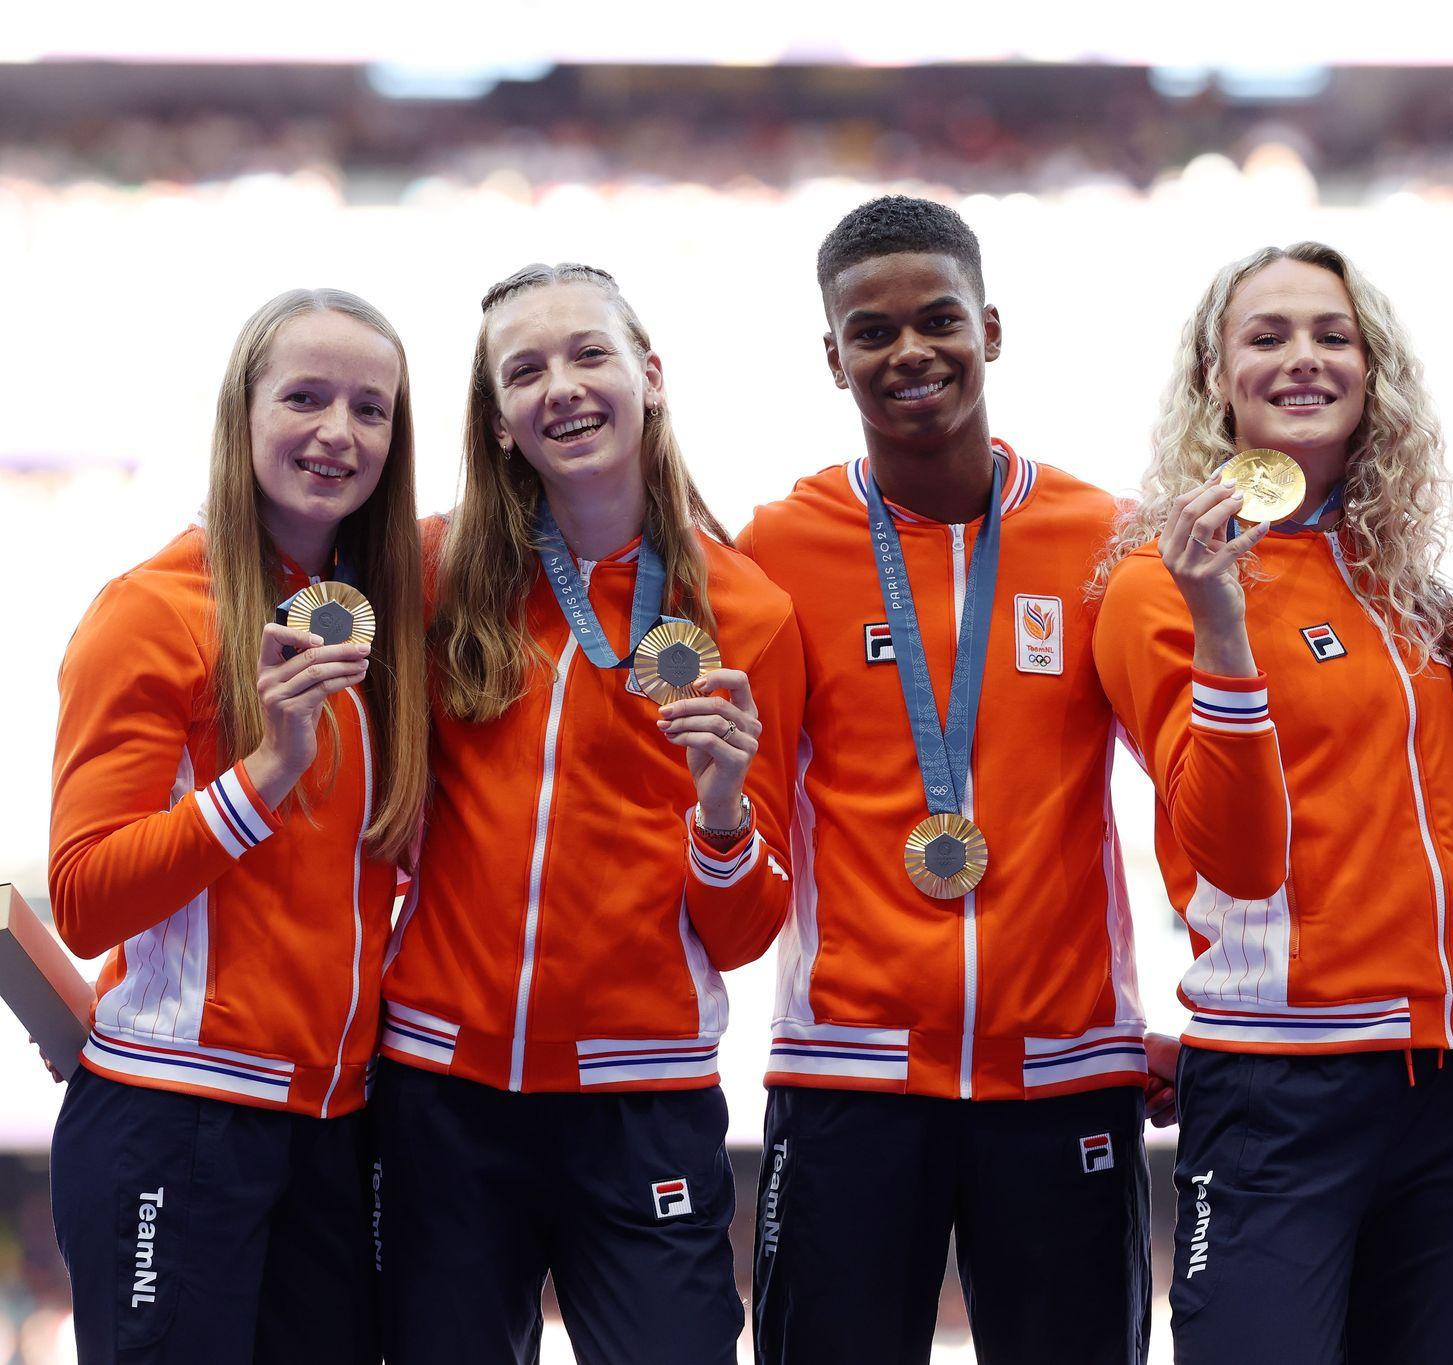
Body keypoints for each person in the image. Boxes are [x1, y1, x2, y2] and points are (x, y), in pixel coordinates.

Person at [738, 196, 1151, 1365]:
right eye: (869, 333)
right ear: (832, 359)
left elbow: (1189, 779)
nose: (908, 352)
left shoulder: (1107, 539)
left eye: (938, 320)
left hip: (1060, 1068)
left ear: (993, 330)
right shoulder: (776, 545)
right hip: (849, 1073)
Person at [1094, 242, 1453, 1364]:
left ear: (1373, 373)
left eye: (1334, 336)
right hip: (1278, 1085)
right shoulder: (1155, 584)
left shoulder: (1406, 590)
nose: (1304, 360)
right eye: (1267, 336)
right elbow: (1233, 856)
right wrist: (1221, 625)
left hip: (1451, 1077)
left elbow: (1443, 829)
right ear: (1212, 376)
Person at [373, 263, 803, 1365]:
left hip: (642, 1100)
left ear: (649, 376)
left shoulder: (744, 608)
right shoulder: (432, 573)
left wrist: (718, 815)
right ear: (500, 421)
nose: (560, 387)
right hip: (442, 1094)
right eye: (524, 371)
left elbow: (747, 930)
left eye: (587, 355)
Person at [47, 288, 428, 1363]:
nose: (337, 433)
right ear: (242, 414)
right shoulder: (152, 611)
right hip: (178, 1118)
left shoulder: (368, 615)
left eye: (370, 408)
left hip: (332, 1128)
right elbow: (83, 898)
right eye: (303, 397)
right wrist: (263, 775)